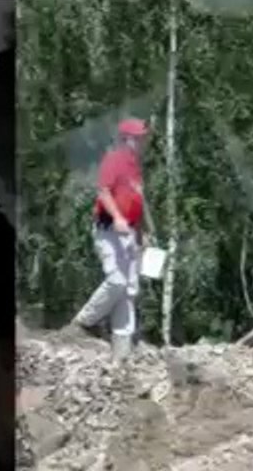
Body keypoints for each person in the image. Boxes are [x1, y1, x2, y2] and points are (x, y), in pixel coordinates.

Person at [67, 118, 149, 359]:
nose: (143, 141)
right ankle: (84, 321)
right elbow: (103, 191)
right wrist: (117, 218)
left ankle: (122, 348)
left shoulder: (135, 167)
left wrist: (142, 233)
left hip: (129, 232)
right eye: (139, 137)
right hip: (109, 230)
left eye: (143, 136)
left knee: (129, 289)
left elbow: (136, 203)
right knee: (117, 281)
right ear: (126, 139)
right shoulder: (114, 160)